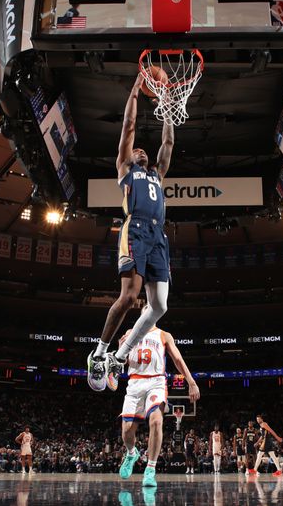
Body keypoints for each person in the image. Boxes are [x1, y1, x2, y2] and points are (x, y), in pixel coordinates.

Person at [87, 73, 175, 392]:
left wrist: (166, 101)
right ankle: (98, 354)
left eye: (142, 151)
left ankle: (119, 356)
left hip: (158, 236)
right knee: (128, 297)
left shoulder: (157, 174)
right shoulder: (126, 169)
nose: (141, 150)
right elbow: (128, 127)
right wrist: (136, 92)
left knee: (160, 306)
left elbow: (167, 142)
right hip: (135, 228)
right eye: (136, 150)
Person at [117, 325, 199, 488]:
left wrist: (192, 382)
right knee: (126, 430)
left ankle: (150, 469)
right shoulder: (129, 333)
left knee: (156, 421)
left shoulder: (164, 335)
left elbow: (177, 359)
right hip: (134, 382)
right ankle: (132, 454)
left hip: (156, 381)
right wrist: (120, 348)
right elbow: (122, 362)